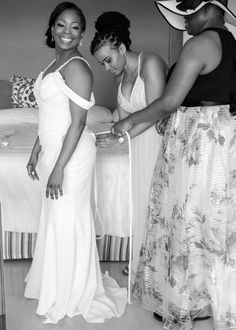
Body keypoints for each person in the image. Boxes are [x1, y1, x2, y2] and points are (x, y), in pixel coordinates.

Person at [112, 0, 236, 329]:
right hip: (222, 140)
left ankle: (185, 304)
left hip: (198, 141)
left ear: (210, 10)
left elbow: (169, 101)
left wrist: (129, 121)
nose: (184, 23)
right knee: (211, 226)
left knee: (185, 222)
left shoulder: (201, 43)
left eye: (188, 15)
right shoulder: (231, 43)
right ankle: (205, 300)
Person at [24, 2, 127, 324]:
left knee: (67, 219)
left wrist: (57, 170)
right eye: (61, 25)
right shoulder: (53, 65)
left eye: (75, 27)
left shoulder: (78, 67)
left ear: (82, 34)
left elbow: (78, 122)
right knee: (57, 218)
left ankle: (73, 291)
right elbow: (49, 115)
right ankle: (58, 285)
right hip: (54, 148)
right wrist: (37, 149)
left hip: (72, 156)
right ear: (51, 29)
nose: (67, 32)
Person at [90, 11, 168, 281]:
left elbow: (158, 111)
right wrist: (108, 135)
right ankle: (140, 262)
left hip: (158, 142)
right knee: (140, 204)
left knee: (157, 204)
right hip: (137, 146)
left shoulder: (151, 63)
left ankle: (158, 268)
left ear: (122, 48)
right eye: (101, 63)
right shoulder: (118, 80)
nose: (107, 67)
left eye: (108, 60)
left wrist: (122, 135)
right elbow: (122, 121)